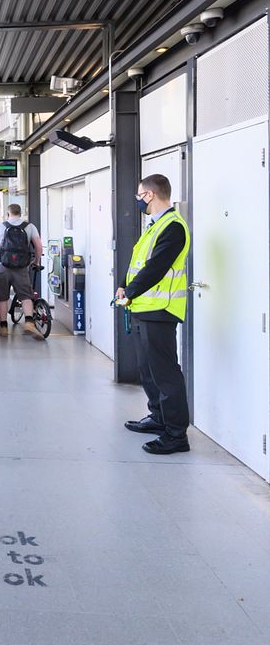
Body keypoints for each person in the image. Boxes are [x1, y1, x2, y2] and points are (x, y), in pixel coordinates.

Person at [117, 173, 191, 455]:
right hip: (143, 308)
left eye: (139, 194)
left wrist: (131, 291)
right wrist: (124, 285)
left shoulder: (173, 227)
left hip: (161, 310)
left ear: (149, 195)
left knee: (165, 373)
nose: (137, 199)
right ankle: (158, 418)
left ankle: (176, 435)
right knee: (148, 370)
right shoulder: (154, 226)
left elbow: (156, 268)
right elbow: (138, 260)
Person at [0, 203, 44, 339]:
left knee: (2, 297)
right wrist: (36, 261)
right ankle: (29, 323)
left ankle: (3, 327)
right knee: (26, 296)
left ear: (8, 214)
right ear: (21, 213)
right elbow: (38, 246)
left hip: (3, 266)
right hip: (21, 267)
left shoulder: (0, 226)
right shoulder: (29, 227)